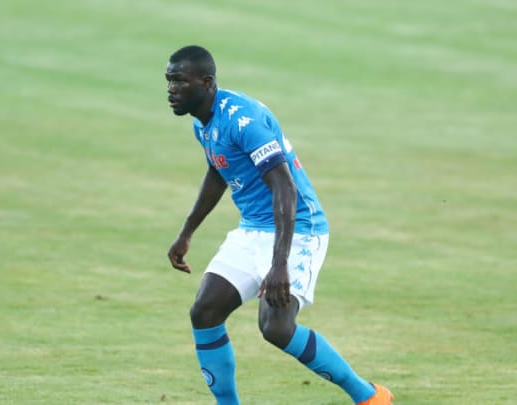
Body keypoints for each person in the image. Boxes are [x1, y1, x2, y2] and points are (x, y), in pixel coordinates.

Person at [165, 45, 393, 405]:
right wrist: (187, 231)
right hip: (253, 227)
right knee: (205, 311)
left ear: (206, 83)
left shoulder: (244, 120)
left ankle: (368, 397)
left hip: (299, 228)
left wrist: (279, 264)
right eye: (168, 81)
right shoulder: (203, 123)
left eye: (179, 81)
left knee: (276, 328)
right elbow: (219, 170)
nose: (171, 90)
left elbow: (285, 187)